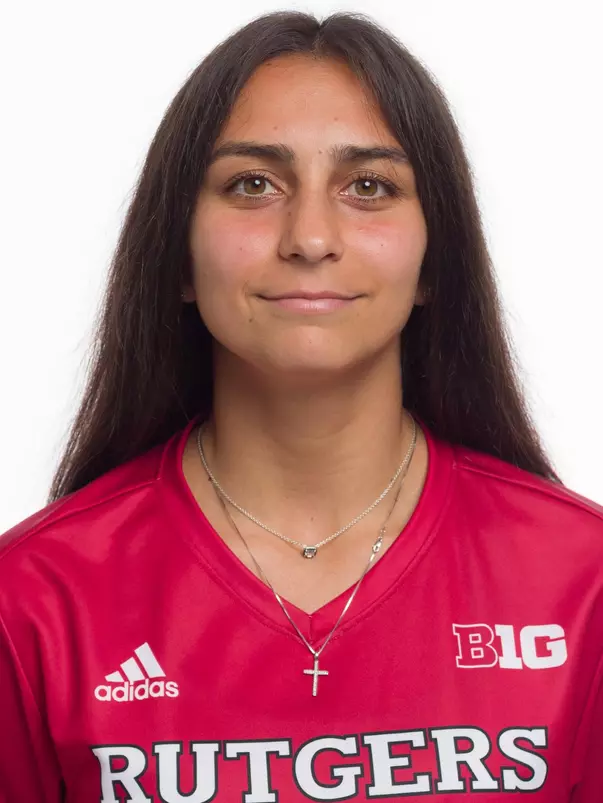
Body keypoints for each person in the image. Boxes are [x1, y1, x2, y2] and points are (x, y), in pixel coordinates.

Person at [0, 9, 601, 802]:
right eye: (252, 183)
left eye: (368, 186)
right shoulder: (35, 599)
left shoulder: (581, 580)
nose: (310, 237)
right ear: (177, 255)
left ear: (432, 261)